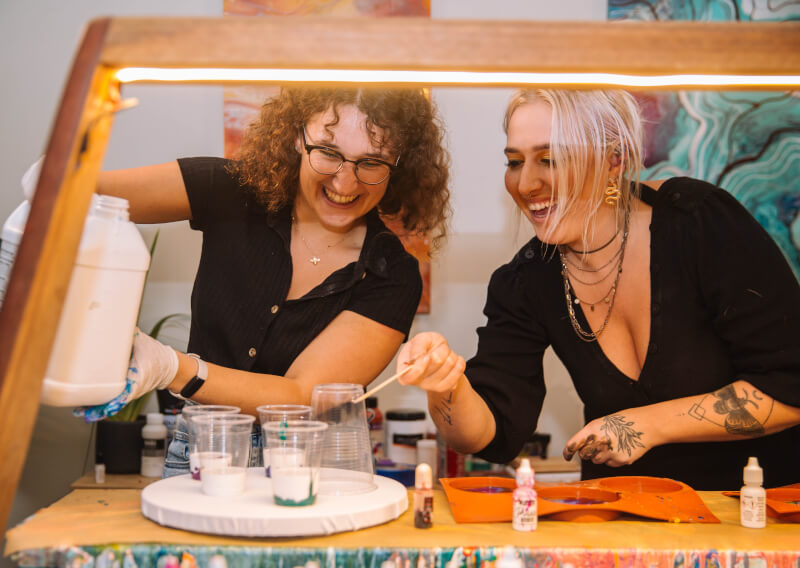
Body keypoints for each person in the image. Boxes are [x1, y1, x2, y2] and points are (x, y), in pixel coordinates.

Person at [396, 88, 800, 490]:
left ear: (614, 160)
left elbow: (789, 384)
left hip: (753, 516)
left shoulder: (697, 223)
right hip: (621, 525)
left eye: (550, 159)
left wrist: (646, 424)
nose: (527, 183)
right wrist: (447, 385)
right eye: (515, 162)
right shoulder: (526, 280)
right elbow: (491, 436)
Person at [82, 86, 450, 476]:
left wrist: (170, 367)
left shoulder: (391, 273)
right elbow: (78, 196)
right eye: (327, 152)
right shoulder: (230, 190)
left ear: (399, 164)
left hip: (314, 467)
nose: (345, 183)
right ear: (296, 137)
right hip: (207, 449)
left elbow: (298, 396)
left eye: (371, 162)